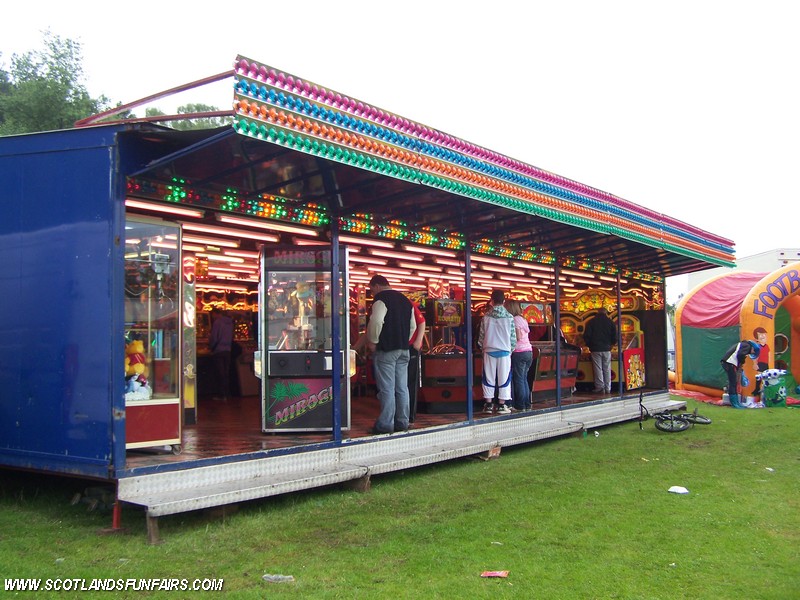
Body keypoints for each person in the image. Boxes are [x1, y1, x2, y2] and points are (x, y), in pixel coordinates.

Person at [366, 275, 417, 434]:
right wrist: (404, 340)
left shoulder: (381, 299)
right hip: (403, 350)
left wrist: (373, 341)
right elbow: (413, 326)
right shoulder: (405, 300)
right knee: (402, 387)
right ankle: (403, 421)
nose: (372, 293)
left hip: (386, 350)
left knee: (387, 388)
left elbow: (376, 321)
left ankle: (385, 424)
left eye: (372, 290)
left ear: (376, 286)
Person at [478, 289, 516, 414]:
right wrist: (510, 350)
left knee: (488, 378)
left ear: (492, 301)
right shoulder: (510, 317)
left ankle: (488, 404)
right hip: (504, 352)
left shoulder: (486, 317)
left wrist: (482, 348)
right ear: (504, 301)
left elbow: (481, 337)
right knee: (504, 378)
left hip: (489, 350)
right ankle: (501, 405)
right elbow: (513, 338)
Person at [505, 299, 533, 411]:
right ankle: (527, 403)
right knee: (524, 378)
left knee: (519, 379)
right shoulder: (523, 319)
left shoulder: (515, 320)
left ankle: (520, 405)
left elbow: (518, 337)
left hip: (519, 352)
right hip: (528, 351)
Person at [583, 307, 618, 394]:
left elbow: (586, 335)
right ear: (606, 313)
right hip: (607, 349)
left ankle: (599, 387)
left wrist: (589, 345)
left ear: (597, 312)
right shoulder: (610, 322)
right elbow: (615, 336)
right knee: (607, 368)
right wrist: (612, 344)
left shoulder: (591, 322)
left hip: (595, 349)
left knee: (598, 368)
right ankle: (608, 387)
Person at [720, 339, 761, 409]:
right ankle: (734, 402)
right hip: (730, 363)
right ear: (753, 348)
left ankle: (736, 402)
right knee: (733, 382)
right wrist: (742, 362)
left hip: (729, 363)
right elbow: (740, 355)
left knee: (734, 382)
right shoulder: (747, 346)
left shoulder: (744, 345)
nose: (751, 353)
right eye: (753, 352)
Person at [209, 307, 234, 401]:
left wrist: (211, 346)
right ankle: (227, 394)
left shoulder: (217, 323)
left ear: (215, 313)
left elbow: (214, 337)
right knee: (226, 373)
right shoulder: (230, 323)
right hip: (228, 349)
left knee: (220, 373)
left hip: (218, 350)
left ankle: (221, 394)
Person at [407, 302, 426, 423]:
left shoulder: (407, 303)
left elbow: (421, 322)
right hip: (404, 346)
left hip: (411, 346)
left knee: (410, 381)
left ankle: (410, 415)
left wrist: (418, 341)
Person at [750, 327, 771, 400]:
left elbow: (768, 355)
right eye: (761, 336)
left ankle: (762, 390)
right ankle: (757, 389)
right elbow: (755, 356)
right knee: (760, 376)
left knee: (765, 377)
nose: (763, 337)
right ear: (757, 339)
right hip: (760, 363)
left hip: (765, 363)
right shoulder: (758, 347)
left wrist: (769, 363)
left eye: (764, 335)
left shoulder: (767, 346)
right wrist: (755, 364)